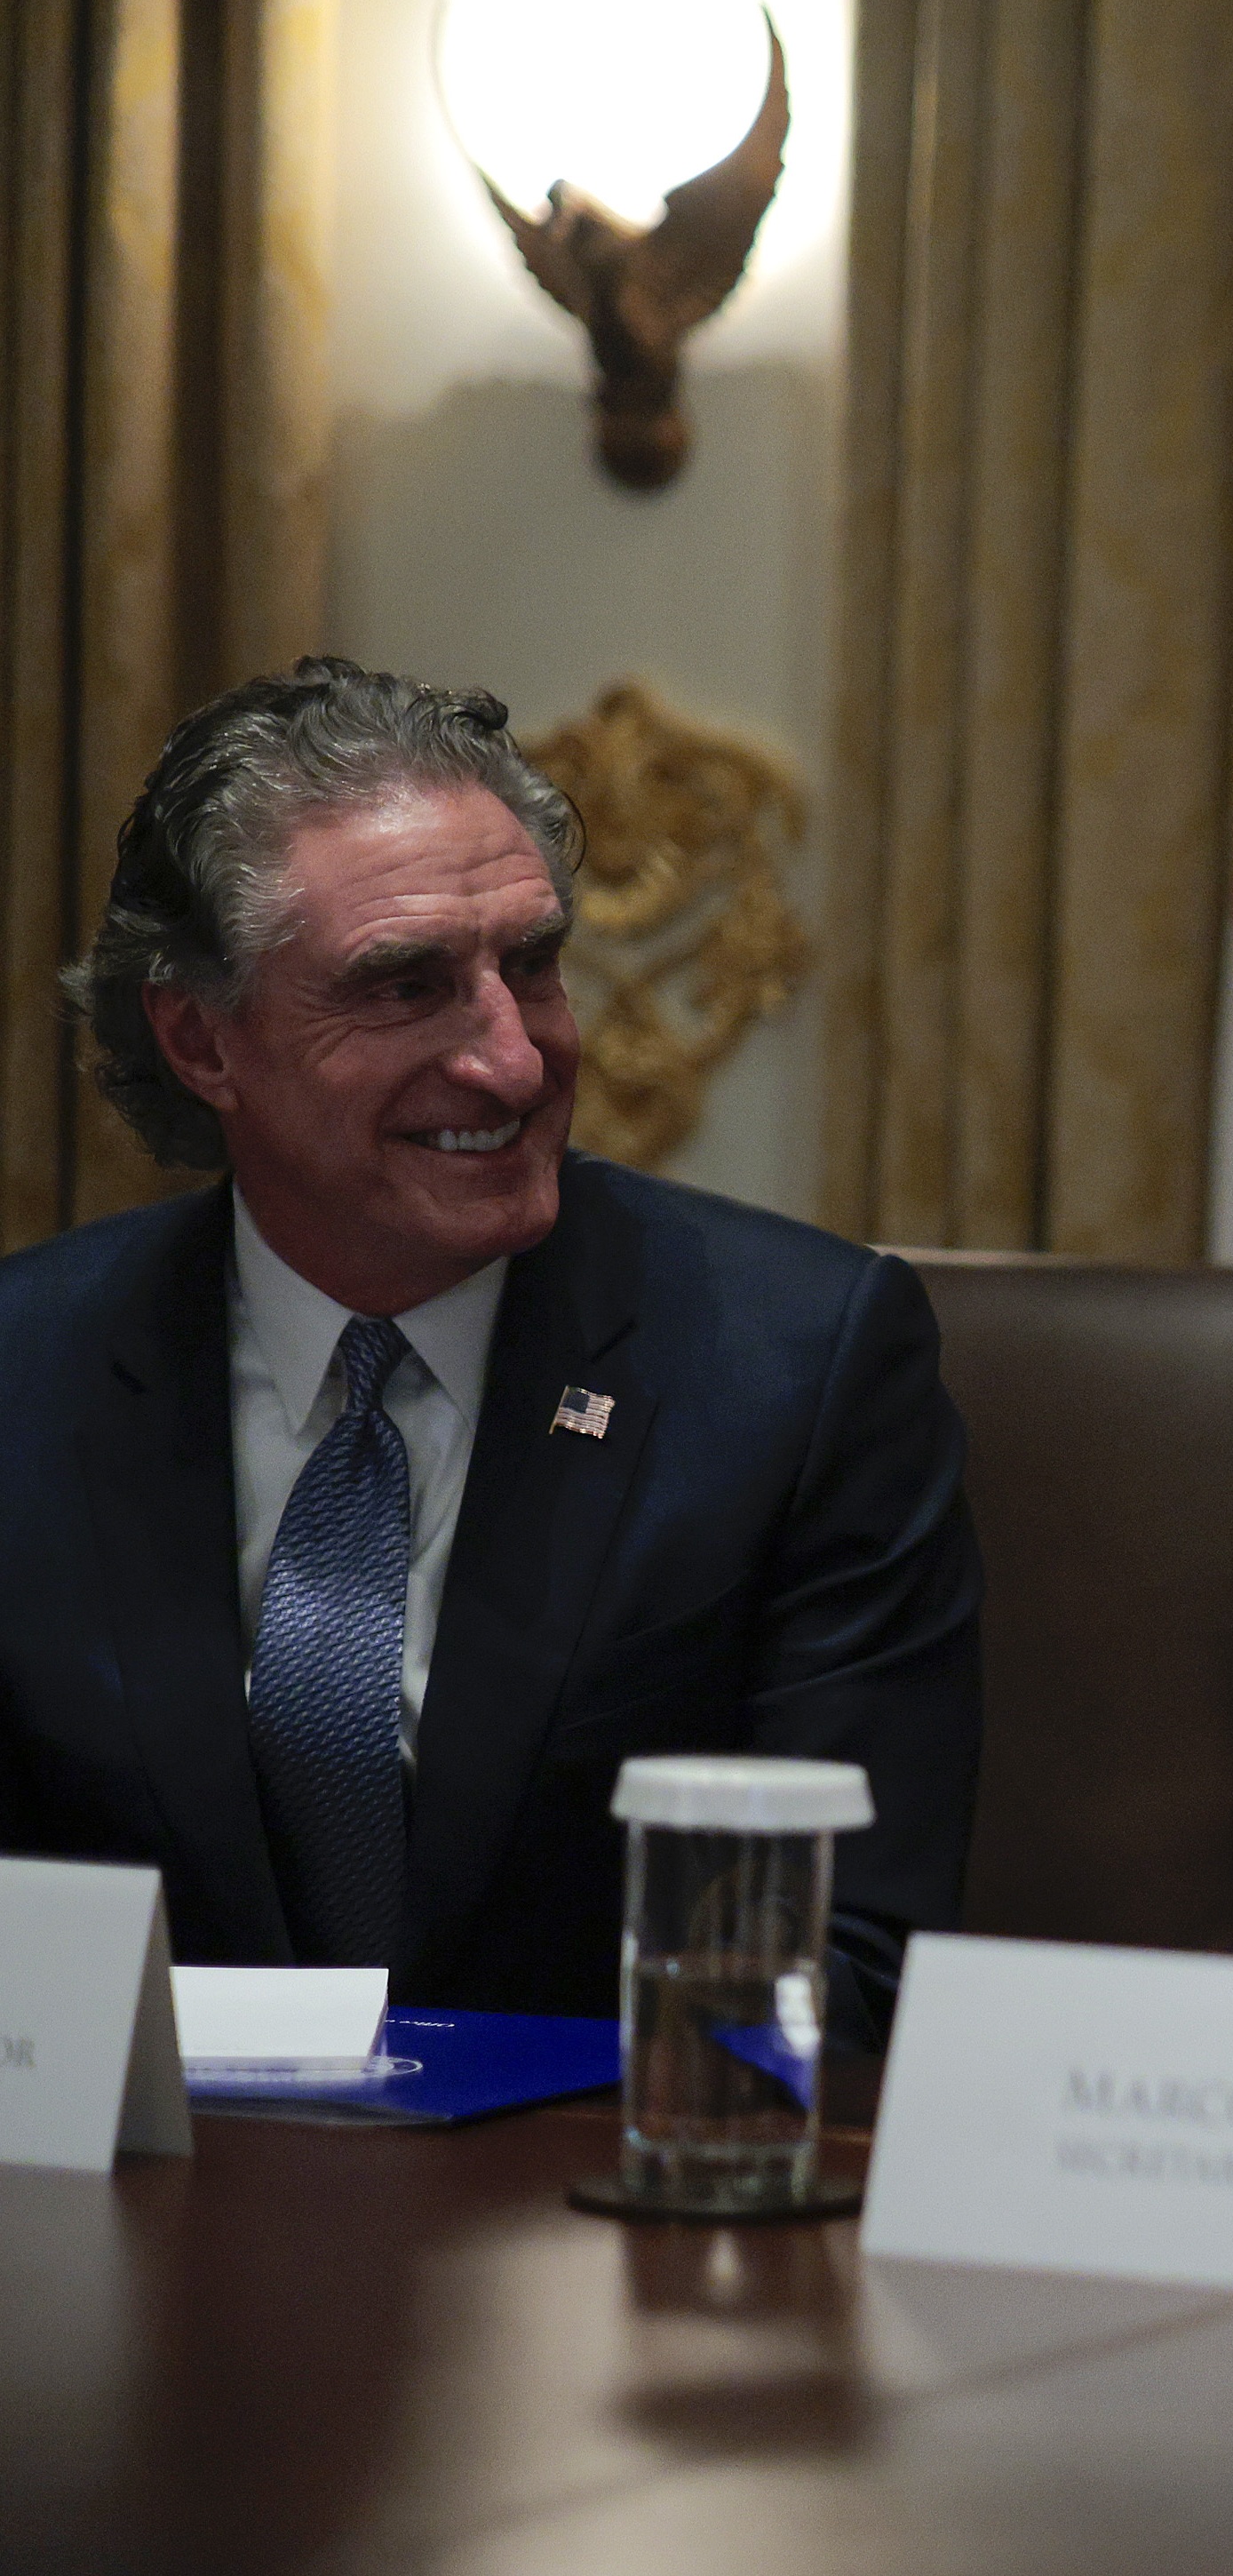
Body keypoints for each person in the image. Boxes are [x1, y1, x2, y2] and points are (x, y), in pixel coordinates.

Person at [0, 658, 979, 2030]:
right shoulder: (26, 1378)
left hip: (583, 2219)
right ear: (202, 1039)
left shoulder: (802, 1371)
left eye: (531, 964)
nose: (515, 1062)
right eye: (406, 986)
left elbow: (848, 1970)